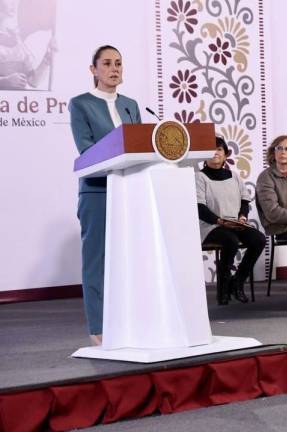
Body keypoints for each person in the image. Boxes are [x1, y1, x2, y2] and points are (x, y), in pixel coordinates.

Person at [69, 45, 141, 345]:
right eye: (108, 64)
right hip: (98, 192)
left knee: (130, 259)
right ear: (93, 69)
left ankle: (132, 320)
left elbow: (140, 145)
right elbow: (86, 150)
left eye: (119, 64)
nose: (115, 69)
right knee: (97, 261)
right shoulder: (81, 104)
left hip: (130, 191)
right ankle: (98, 327)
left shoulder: (131, 105)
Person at [197, 137, 267, 305]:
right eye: (210, 150)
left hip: (234, 223)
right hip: (211, 225)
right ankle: (223, 288)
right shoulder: (199, 177)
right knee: (231, 241)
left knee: (258, 239)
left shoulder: (233, 176)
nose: (215, 153)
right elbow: (199, 207)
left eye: (219, 149)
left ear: (225, 153)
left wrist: (242, 217)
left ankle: (237, 282)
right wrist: (220, 221)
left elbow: (244, 200)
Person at [256, 135, 287, 242]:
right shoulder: (265, 177)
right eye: (279, 148)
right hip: (281, 228)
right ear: (273, 152)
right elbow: (272, 212)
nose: (283, 152)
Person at [0, 0, 56, 89]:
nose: (13, 3)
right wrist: (4, 81)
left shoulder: (16, 39)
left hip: (18, 101)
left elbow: (33, 82)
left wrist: (48, 56)